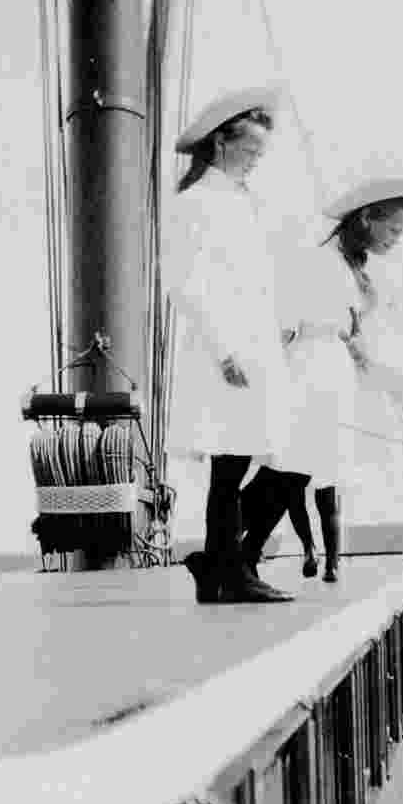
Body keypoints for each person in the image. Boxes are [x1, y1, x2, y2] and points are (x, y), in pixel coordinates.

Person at [239, 177, 403, 584]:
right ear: (366, 217)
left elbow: (351, 334)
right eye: (394, 229)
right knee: (288, 469)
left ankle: (237, 554)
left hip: (330, 373)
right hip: (308, 369)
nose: (397, 240)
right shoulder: (319, 263)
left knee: (294, 471)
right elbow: (285, 325)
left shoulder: (349, 270)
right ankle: (236, 555)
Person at [165, 85, 294, 605]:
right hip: (225, 349)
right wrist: (224, 350)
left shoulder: (241, 202)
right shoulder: (195, 203)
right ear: (221, 143)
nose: (257, 160)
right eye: (250, 149)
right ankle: (228, 570)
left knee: (252, 456)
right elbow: (185, 283)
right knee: (230, 460)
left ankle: (219, 563)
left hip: (254, 343)